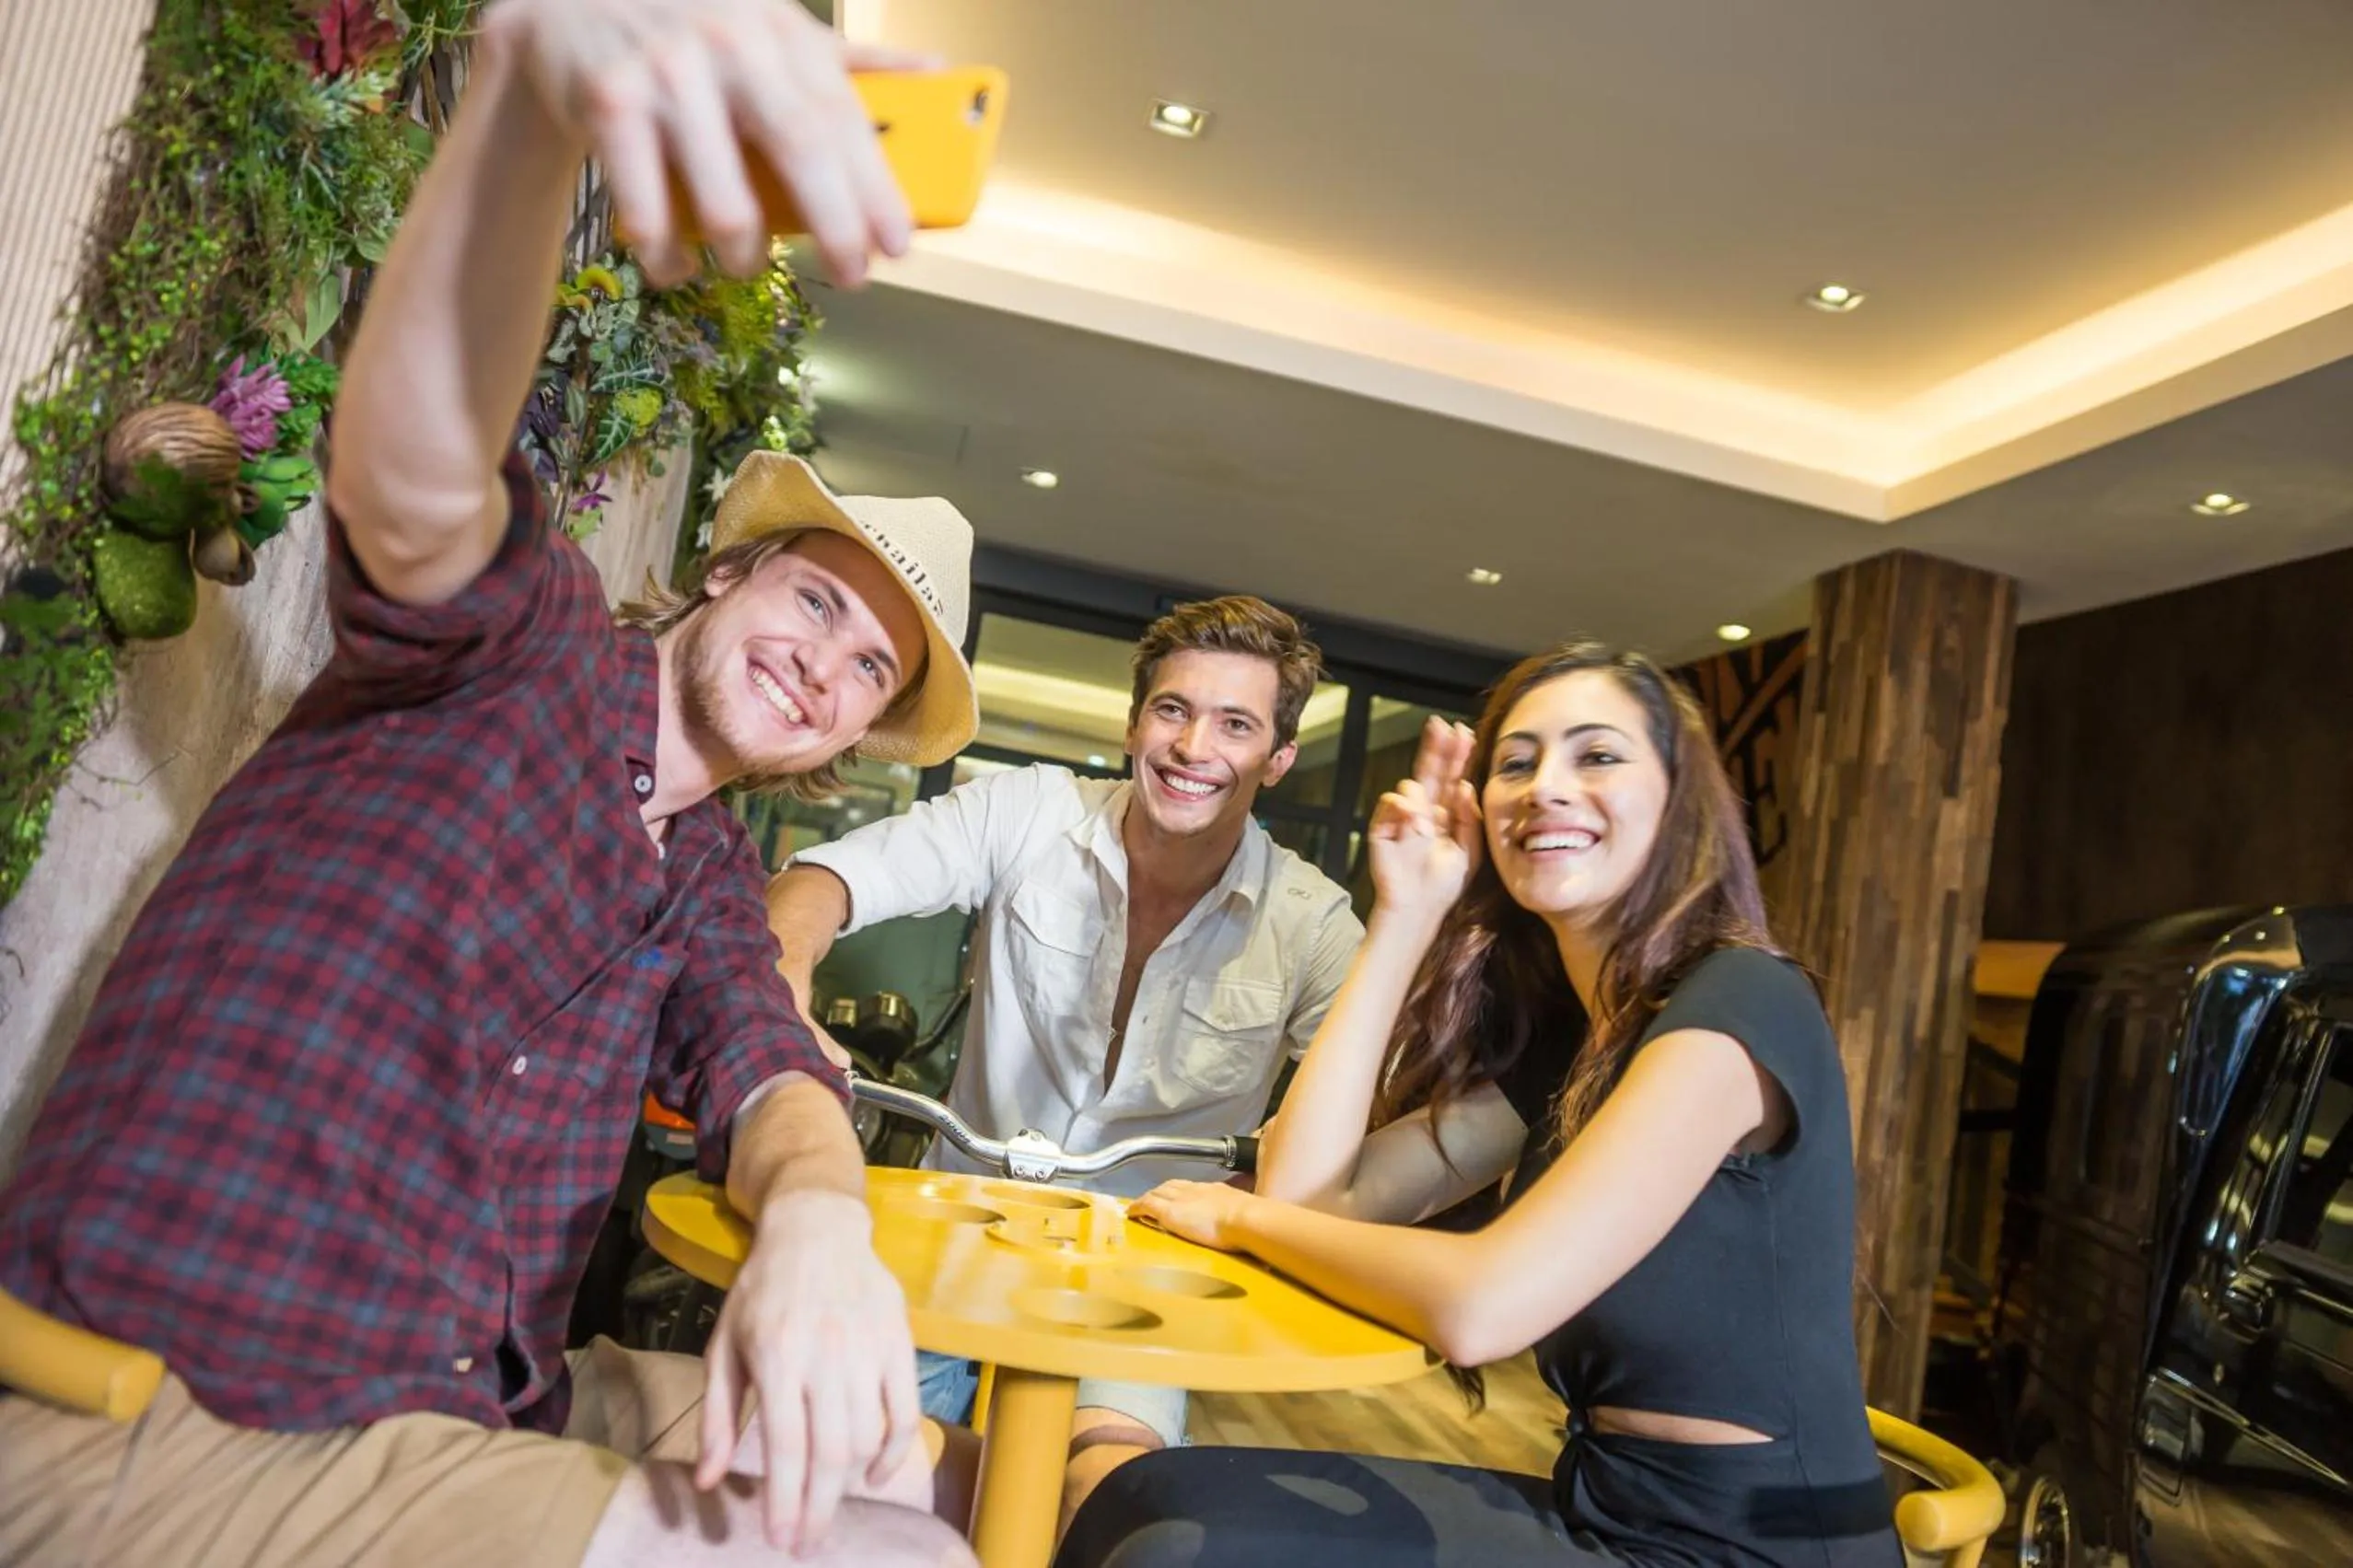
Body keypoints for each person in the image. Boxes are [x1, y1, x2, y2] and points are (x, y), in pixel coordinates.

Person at [0, 4, 984, 1565]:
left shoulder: (706, 869)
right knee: (896, 1554)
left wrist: (815, 1215)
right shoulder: (522, 645)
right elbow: (414, 469)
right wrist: (533, 99)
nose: (825, 666)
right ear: (723, 574)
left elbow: (771, 1067)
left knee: (949, 1474)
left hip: (455, 1404)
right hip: (168, 1406)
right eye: (815, 602)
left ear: (847, 745)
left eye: (870, 669)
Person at [1061, 642, 1903, 1567]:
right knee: (1140, 1498)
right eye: (1514, 761)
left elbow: (1482, 1305)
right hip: (1607, 1508)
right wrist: (1405, 913)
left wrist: (1236, 1219)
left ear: (1675, 798)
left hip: (1748, 1549)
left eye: (1595, 755)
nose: (1545, 785)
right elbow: (1308, 1194)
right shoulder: (1573, 1043)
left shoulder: (1738, 1002)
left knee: (1167, 1537)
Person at [766, 596, 1364, 1529]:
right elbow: (823, 878)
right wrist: (784, 980)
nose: (1191, 744)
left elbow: (1379, 1092)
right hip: (950, 1239)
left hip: (1145, 1282)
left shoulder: (1313, 921)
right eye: (1171, 708)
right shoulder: (1026, 810)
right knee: (853, 1475)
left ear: (1277, 759)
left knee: (1104, 1488)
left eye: (1236, 722)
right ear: (1134, 721)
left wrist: (1274, 1180)